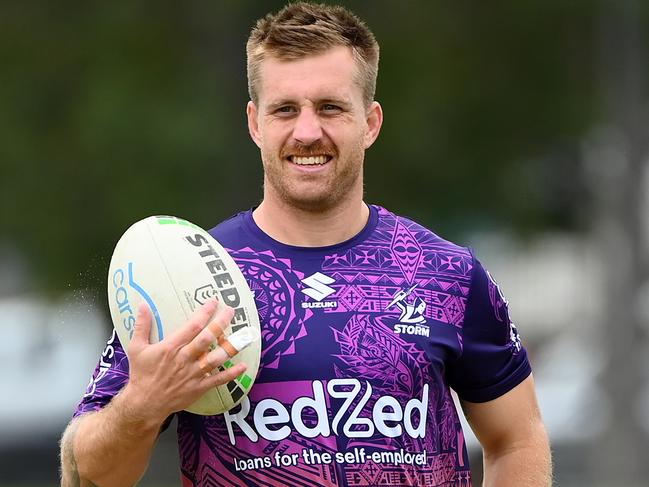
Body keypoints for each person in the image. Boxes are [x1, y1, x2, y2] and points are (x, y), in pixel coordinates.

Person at [60, 2, 552, 486]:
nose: (308, 131)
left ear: (371, 122)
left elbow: (518, 439)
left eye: (331, 107)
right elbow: (87, 475)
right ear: (255, 123)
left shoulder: (446, 273)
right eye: (285, 110)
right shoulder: (189, 276)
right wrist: (143, 404)